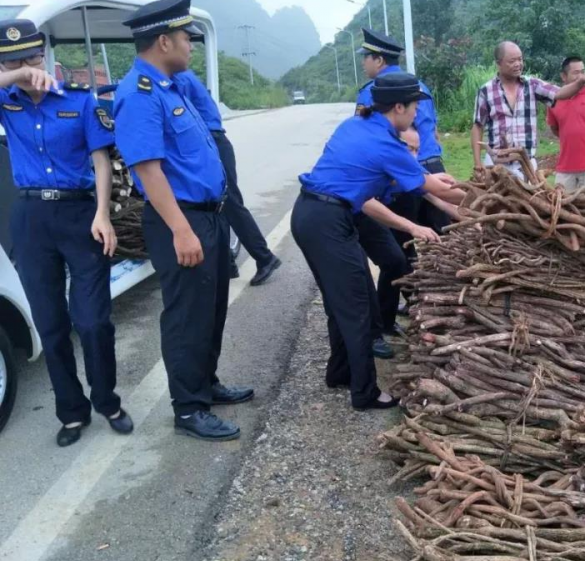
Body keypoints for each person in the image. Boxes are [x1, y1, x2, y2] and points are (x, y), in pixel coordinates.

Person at [114, 0, 253, 442]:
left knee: (210, 312)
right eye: (186, 38)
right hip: (182, 221)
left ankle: (206, 384)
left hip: (207, 218)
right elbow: (148, 169)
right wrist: (181, 229)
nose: (190, 45)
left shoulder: (170, 85)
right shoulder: (139, 93)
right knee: (186, 318)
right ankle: (189, 409)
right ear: (163, 41)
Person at [292, 71, 464, 412]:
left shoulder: (357, 125)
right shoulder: (386, 143)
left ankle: (339, 373)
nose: (417, 113)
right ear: (398, 107)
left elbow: (400, 180)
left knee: (340, 301)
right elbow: (439, 191)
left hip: (314, 215)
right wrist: (487, 193)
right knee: (356, 304)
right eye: (414, 106)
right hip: (327, 221)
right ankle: (365, 393)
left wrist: (429, 179)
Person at [0, 20, 133, 447]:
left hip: (81, 216)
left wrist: (103, 215)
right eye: (13, 60)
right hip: (32, 218)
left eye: (32, 57)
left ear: (46, 55)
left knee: (93, 321)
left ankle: (107, 401)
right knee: (51, 324)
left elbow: (100, 162)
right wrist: (18, 76)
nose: (27, 65)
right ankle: (71, 412)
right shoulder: (8, 101)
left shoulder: (79, 101)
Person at [175, 69, 282, 286]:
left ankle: (264, 257)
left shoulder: (178, 78)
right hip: (212, 143)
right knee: (218, 206)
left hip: (212, 143)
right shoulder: (180, 76)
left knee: (230, 203)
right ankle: (228, 262)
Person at [356, 28, 449, 233]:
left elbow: (367, 139)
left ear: (378, 60)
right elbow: (433, 131)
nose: (363, 63)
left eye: (366, 58)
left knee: (405, 243)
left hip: (401, 174)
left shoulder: (374, 91)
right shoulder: (419, 86)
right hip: (434, 166)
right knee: (448, 240)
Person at [472, 41, 585, 179]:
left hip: (526, 164)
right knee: (494, 200)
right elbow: (477, 126)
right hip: (496, 165)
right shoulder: (486, 91)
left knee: (530, 198)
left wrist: (579, 83)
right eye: (512, 61)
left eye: (520, 59)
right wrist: (477, 162)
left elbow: (560, 93)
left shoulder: (532, 85)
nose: (518, 64)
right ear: (499, 63)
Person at [547, 56, 585, 192]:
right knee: (562, 204)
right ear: (564, 76)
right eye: (576, 73)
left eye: (583, 71)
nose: (581, 76)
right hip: (565, 165)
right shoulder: (555, 98)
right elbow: (554, 128)